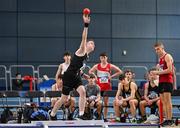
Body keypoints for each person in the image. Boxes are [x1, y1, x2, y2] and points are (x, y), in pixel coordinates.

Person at [50, 14, 95, 120]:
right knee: (63, 99)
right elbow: (84, 38)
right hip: (69, 76)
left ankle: (81, 114)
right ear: (87, 45)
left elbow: (78, 68)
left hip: (76, 77)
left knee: (83, 92)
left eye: (94, 44)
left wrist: (84, 75)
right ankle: (52, 114)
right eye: (91, 43)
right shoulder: (82, 50)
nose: (93, 45)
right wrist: (86, 25)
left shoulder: (86, 56)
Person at [89, 52, 122, 120]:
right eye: (101, 58)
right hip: (99, 87)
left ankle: (105, 117)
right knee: (98, 102)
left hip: (107, 87)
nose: (103, 59)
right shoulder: (97, 66)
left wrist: (111, 76)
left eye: (104, 57)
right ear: (100, 58)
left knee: (106, 103)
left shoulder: (110, 66)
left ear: (106, 58)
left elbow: (120, 71)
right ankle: (97, 115)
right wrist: (95, 76)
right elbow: (90, 71)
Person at [151, 42, 175, 126]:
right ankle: (166, 119)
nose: (157, 51)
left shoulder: (167, 56)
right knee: (163, 101)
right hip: (161, 81)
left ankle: (170, 119)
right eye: (155, 50)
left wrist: (157, 72)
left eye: (158, 49)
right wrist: (156, 73)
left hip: (167, 81)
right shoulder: (160, 59)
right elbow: (161, 71)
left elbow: (170, 70)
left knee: (168, 101)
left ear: (162, 48)